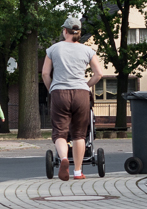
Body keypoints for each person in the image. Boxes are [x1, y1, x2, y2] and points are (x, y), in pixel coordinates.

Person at [42, 17, 104, 181]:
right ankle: (77, 171)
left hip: (59, 93)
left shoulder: (53, 49)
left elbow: (45, 74)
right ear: (79, 33)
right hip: (81, 93)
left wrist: (52, 90)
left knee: (60, 133)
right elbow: (99, 74)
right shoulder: (87, 50)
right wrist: (87, 86)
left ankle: (63, 158)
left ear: (65, 31)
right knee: (79, 134)